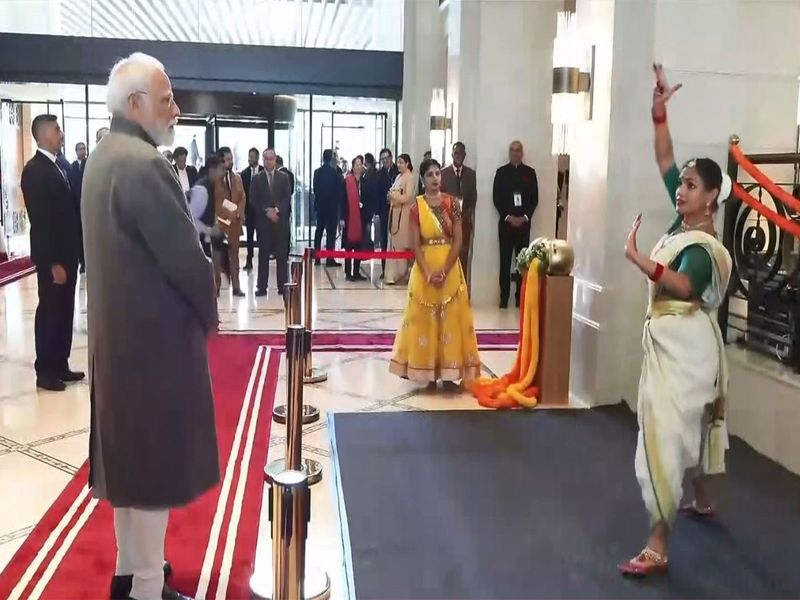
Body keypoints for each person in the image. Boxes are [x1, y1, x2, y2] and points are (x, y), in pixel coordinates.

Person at [82, 52, 218, 600]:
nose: (176, 109)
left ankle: (128, 573)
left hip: (118, 343)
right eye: (167, 100)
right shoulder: (145, 164)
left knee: (129, 471)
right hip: (154, 348)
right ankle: (144, 588)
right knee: (154, 471)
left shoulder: (102, 156)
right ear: (136, 104)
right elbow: (186, 261)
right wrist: (209, 309)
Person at [618, 64, 733, 577]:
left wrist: (639, 259)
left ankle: (657, 545)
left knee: (665, 436)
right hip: (669, 341)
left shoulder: (704, 247)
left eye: (690, 185)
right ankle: (702, 497)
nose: (680, 190)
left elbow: (684, 286)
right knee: (691, 423)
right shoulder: (683, 222)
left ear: (710, 196)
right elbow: (665, 157)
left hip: (687, 347)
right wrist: (659, 113)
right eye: (680, 184)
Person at [390, 158, 480, 387]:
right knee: (426, 322)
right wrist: (428, 272)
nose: (435, 178)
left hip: (449, 267)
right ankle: (428, 372)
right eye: (429, 174)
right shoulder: (416, 207)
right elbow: (415, 244)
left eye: (438, 173)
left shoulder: (452, 203)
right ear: (422, 179)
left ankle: (450, 373)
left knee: (450, 320)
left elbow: (458, 240)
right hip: (425, 270)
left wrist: (444, 270)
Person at [20, 114, 84, 392]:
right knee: (50, 311)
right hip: (53, 259)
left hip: (68, 254)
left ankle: (60, 364)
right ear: (44, 134)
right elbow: (41, 221)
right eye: (57, 129)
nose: (61, 133)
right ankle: (45, 370)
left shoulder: (60, 166)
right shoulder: (35, 170)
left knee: (65, 310)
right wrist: (52, 262)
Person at [492, 140, 538, 308]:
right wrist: (508, 217)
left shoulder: (530, 173)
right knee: (504, 262)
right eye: (512, 150)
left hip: (523, 226)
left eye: (518, 150)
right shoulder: (501, 173)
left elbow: (534, 199)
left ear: (522, 153)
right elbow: (496, 198)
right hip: (506, 225)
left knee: (522, 263)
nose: (515, 153)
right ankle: (504, 298)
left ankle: (521, 298)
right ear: (509, 153)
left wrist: (524, 217)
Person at [251, 148, 292, 297]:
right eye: (266, 159)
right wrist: (267, 211)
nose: (268, 162)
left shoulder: (284, 177)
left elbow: (287, 198)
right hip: (264, 224)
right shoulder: (257, 179)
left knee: (282, 256)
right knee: (263, 256)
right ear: (263, 160)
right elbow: (253, 200)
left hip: (280, 223)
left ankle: (283, 286)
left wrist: (276, 210)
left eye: (271, 159)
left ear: (275, 160)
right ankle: (262, 287)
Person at [440, 142, 477, 290]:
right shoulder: (444, 173)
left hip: (464, 222)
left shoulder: (471, 174)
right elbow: (440, 198)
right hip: (448, 222)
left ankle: (461, 287)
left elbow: (473, 198)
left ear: (465, 155)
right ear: (452, 155)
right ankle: (447, 286)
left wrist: (465, 215)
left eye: (461, 153)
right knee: (447, 254)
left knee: (463, 254)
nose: (458, 156)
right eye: (456, 153)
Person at [189, 155, 227, 294]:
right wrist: (210, 230)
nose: (224, 173)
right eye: (221, 169)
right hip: (196, 242)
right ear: (212, 170)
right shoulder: (202, 190)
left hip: (207, 240)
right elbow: (190, 219)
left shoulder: (214, 187)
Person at [215, 146, 246, 297]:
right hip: (220, 224)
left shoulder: (237, 178)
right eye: (227, 159)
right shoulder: (215, 179)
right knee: (218, 259)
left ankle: (236, 287)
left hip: (234, 224)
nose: (230, 162)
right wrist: (232, 210)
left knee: (234, 258)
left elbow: (242, 198)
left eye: (231, 158)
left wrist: (238, 212)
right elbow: (218, 201)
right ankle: (216, 288)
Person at [385, 153, 416, 285]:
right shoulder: (398, 177)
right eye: (398, 162)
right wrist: (390, 196)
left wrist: (394, 197)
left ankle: (402, 274)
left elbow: (408, 197)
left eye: (401, 162)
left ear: (407, 164)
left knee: (401, 246)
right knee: (393, 245)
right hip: (394, 214)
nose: (399, 165)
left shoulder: (410, 177)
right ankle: (392, 275)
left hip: (404, 216)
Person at [312, 149, 344, 267]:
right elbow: (339, 192)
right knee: (330, 234)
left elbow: (315, 189)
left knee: (319, 231)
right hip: (331, 208)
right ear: (331, 159)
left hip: (320, 207)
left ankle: (317, 258)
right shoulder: (335, 174)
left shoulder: (317, 172)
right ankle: (330, 259)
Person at [341, 155, 367, 281]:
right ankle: (348, 272)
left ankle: (356, 271)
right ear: (353, 166)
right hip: (349, 217)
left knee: (358, 247)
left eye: (360, 164)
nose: (358, 167)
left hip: (361, 218)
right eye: (356, 164)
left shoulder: (364, 181)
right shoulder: (347, 181)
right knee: (348, 246)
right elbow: (342, 200)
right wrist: (342, 218)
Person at [240, 147, 263, 271]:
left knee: (261, 237)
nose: (250, 159)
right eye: (249, 156)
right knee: (249, 237)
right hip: (249, 211)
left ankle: (262, 261)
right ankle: (249, 260)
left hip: (261, 212)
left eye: (252, 157)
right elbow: (242, 193)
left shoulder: (263, 172)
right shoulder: (244, 173)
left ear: (257, 158)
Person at [377, 148, 399, 277]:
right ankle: (384, 269)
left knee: (396, 239)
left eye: (386, 158)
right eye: (382, 159)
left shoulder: (398, 171)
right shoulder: (379, 174)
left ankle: (397, 269)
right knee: (384, 240)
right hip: (384, 212)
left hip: (397, 211)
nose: (384, 161)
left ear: (391, 158)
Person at [70, 141, 89, 273]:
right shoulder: (72, 167)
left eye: (84, 148)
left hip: (88, 205)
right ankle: (82, 262)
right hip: (76, 207)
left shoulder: (90, 164)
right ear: (76, 151)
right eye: (80, 149)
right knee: (79, 235)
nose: (83, 151)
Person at [361, 152, 380, 251]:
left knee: (367, 224)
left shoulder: (369, 173)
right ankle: (371, 243)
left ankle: (368, 244)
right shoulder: (375, 171)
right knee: (369, 223)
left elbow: (367, 187)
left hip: (368, 203)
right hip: (373, 202)